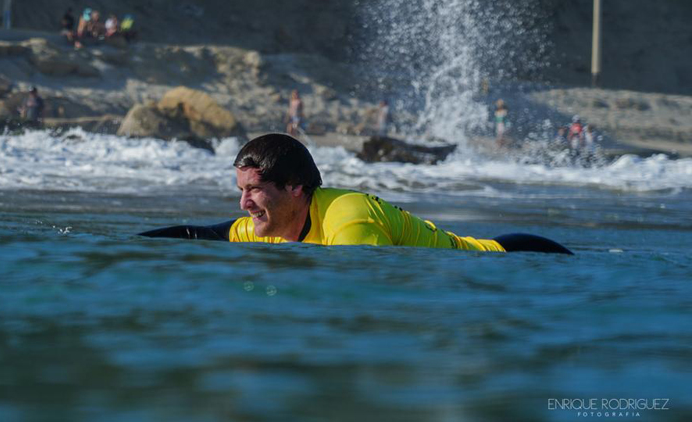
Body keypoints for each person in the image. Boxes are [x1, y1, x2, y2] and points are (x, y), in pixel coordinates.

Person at [140, 134, 572, 254]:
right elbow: (200, 235)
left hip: (510, 258)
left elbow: (364, 300)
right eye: (241, 190)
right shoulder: (269, 224)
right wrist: (127, 248)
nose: (243, 204)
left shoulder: (349, 220)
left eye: (254, 190)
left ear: (295, 187)